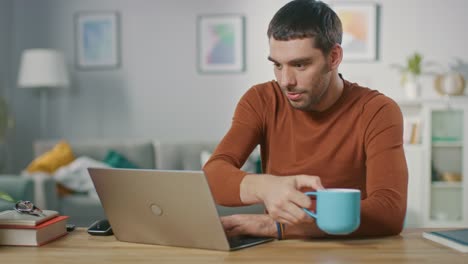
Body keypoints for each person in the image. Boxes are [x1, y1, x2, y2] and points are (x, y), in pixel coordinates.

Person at [203, 0, 408, 239]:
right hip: (280, 251)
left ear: (333, 57)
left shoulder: (377, 110)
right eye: (277, 65)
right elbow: (212, 175)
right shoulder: (260, 100)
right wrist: (264, 187)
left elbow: (390, 211)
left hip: (351, 249)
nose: (285, 80)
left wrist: (281, 226)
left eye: (299, 65)